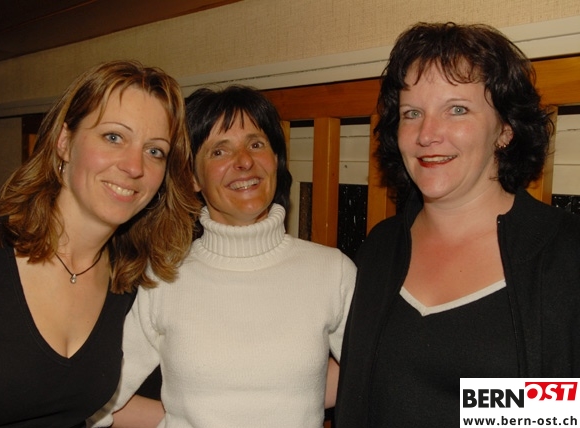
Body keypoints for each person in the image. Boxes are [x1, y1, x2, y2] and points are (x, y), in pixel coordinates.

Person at [335, 22, 580, 428]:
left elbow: (564, 409)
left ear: (505, 130)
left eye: (457, 109)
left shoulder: (565, 253)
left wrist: (472, 403)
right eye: (412, 113)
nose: (427, 134)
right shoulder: (381, 247)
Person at [0, 60, 199, 427]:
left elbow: (107, 408)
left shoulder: (128, 284)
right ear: (64, 142)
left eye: (154, 151)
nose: (134, 166)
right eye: (114, 137)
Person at [88, 85, 357, 428]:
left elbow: (375, 374)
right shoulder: (164, 278)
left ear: (276, 160)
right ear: (193, 178)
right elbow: (94, 399)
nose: (244, 161)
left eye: (256, 144)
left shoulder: (332, 271)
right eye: (219, 151)